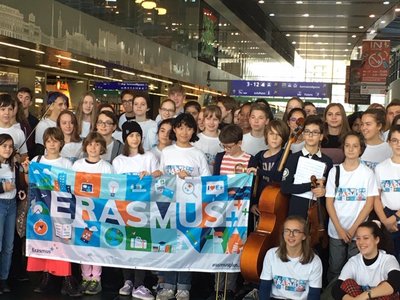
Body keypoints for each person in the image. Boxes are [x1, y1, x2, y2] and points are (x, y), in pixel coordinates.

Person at [157, 113, 210, 300]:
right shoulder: (166, 152)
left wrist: (189, 178)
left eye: (188, 128)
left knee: (187, 247)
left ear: (194, 130)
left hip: (191, 207)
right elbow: (161, 177)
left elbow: (207, 182)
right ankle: (168, 285)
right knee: (170, 247)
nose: (184, 132)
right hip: (170, 206)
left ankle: (184, 287)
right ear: (174, 130)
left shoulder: (198, 154)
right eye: (180, 127)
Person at [23, 127, 81, 297]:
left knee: (62, 243)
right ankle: (46, 276)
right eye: (48, 141)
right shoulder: (37, 160)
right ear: (45, 143)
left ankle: (67, 279)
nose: (52, 144)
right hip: (40, 209)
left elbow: (72, 187)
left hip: (61, 208)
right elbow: (30, 183)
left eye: (55, 140)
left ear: (61, 143)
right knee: (43, 241)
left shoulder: (66, 163)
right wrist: (27, 171)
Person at [206, 124, 256, 300]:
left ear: (240, 143)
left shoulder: (251, 159)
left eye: (229, 146)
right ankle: (217, 287)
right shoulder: (220, 157)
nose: (226, 150)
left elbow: (253, 189)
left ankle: (230, 288)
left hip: (240, 212)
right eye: (223, 146)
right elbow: (215, 182)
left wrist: (253, 175)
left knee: (235, 247)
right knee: (219, 246)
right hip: (220, 210)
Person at [113, 121, 157, 300]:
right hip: (123, 209)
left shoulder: (149, 157)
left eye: (138, 135)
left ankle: (139, 284)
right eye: (131, 135)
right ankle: (127, 281)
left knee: (141, 245)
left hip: (144, 210)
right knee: (125, 245)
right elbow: (113, 185)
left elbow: (160, 177)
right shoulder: (118, 161)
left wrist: (151, 175)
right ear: (125, 138)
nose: (135, 138)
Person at [325, 132, 378, 282]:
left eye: (355, 146)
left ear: (361, 149)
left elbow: (369, 204)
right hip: (337, 230)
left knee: (355, 269)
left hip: (358, 231)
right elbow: (329, 203)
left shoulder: (367, 173)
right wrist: (340, 229)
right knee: (335, 268)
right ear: (343, 148)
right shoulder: (335, 172)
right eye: (347, 145)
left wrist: (354, 228)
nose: (351, 149)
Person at [72, 132, 113, 295]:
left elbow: (112, 190)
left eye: (97, 144)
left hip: (99, 212)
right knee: (84, 244)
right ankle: (85, 277)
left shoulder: (107, 167)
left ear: (102, 147)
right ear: (85, 147)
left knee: (97, 246)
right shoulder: (78, 165)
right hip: (81, 213)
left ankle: (96, 278)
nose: (93, 147)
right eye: (90, 144)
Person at [281, 115, 333, 219]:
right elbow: (285, 187)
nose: (310, 135)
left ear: (321, 136)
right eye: (307, 131)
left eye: (315, 132)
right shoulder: (293, 158)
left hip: (317, 214)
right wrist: (311, 185)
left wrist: (324, 191)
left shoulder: (327, 161)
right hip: (296, 209)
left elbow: (331, 189)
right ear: (303, 134)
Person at [259, 216, 323, 300]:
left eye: (296, 231)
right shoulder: (271, 254)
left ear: (304, 236)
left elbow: (314, 295)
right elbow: (264, 288)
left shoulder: (315, 261)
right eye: (287, 231)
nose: (291, 235)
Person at [332, 221, 400, 300]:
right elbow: (336, 288)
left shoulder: (388, 259)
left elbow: (396, 281)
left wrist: (365, 295)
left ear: (377, 240)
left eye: (366, 238)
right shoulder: (353, 261)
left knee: (385, 287)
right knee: (347, 283)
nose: (361, 242)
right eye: (358, 238)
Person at [248, 119, 289, 216]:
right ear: (266, 135)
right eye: (271, 133)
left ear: (283, 138)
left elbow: (278, 177)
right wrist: (252, 203)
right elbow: (252, 182)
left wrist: (259, 172)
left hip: (278, 202)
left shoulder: (287, 156)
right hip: (259, 202)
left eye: (278, 134)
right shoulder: (259, 156)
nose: (274, 137)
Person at [0, 134, 23, 294]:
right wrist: (2, 188)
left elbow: (18, 184)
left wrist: (20, 191)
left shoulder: (13, 164)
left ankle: (3, 279)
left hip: (12, 205)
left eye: (10, 146)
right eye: (4, 146)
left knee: (9, 245)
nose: (8, 149)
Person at [374, 124, 400, 261]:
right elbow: (376, 197)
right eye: (395, 140)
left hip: (394, 216)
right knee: (390, 258)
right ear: (389, 142)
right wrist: (385, 221)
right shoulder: (380, 168)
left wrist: (395, 217)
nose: (398, 144)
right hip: (387, 216)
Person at [193, 105, 223, 173]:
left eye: (215, 119)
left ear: (220, 120)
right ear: (204, 120)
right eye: (208, 119)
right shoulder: (195, 139)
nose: (211, 123)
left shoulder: (224, 139)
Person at [0, 94, 28, 161]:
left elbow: (24, 156)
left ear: (13, 111)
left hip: (12, 171)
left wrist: (19, 159)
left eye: (10, 109)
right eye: (3, 109)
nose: (7, 113)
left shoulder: (19, 132)